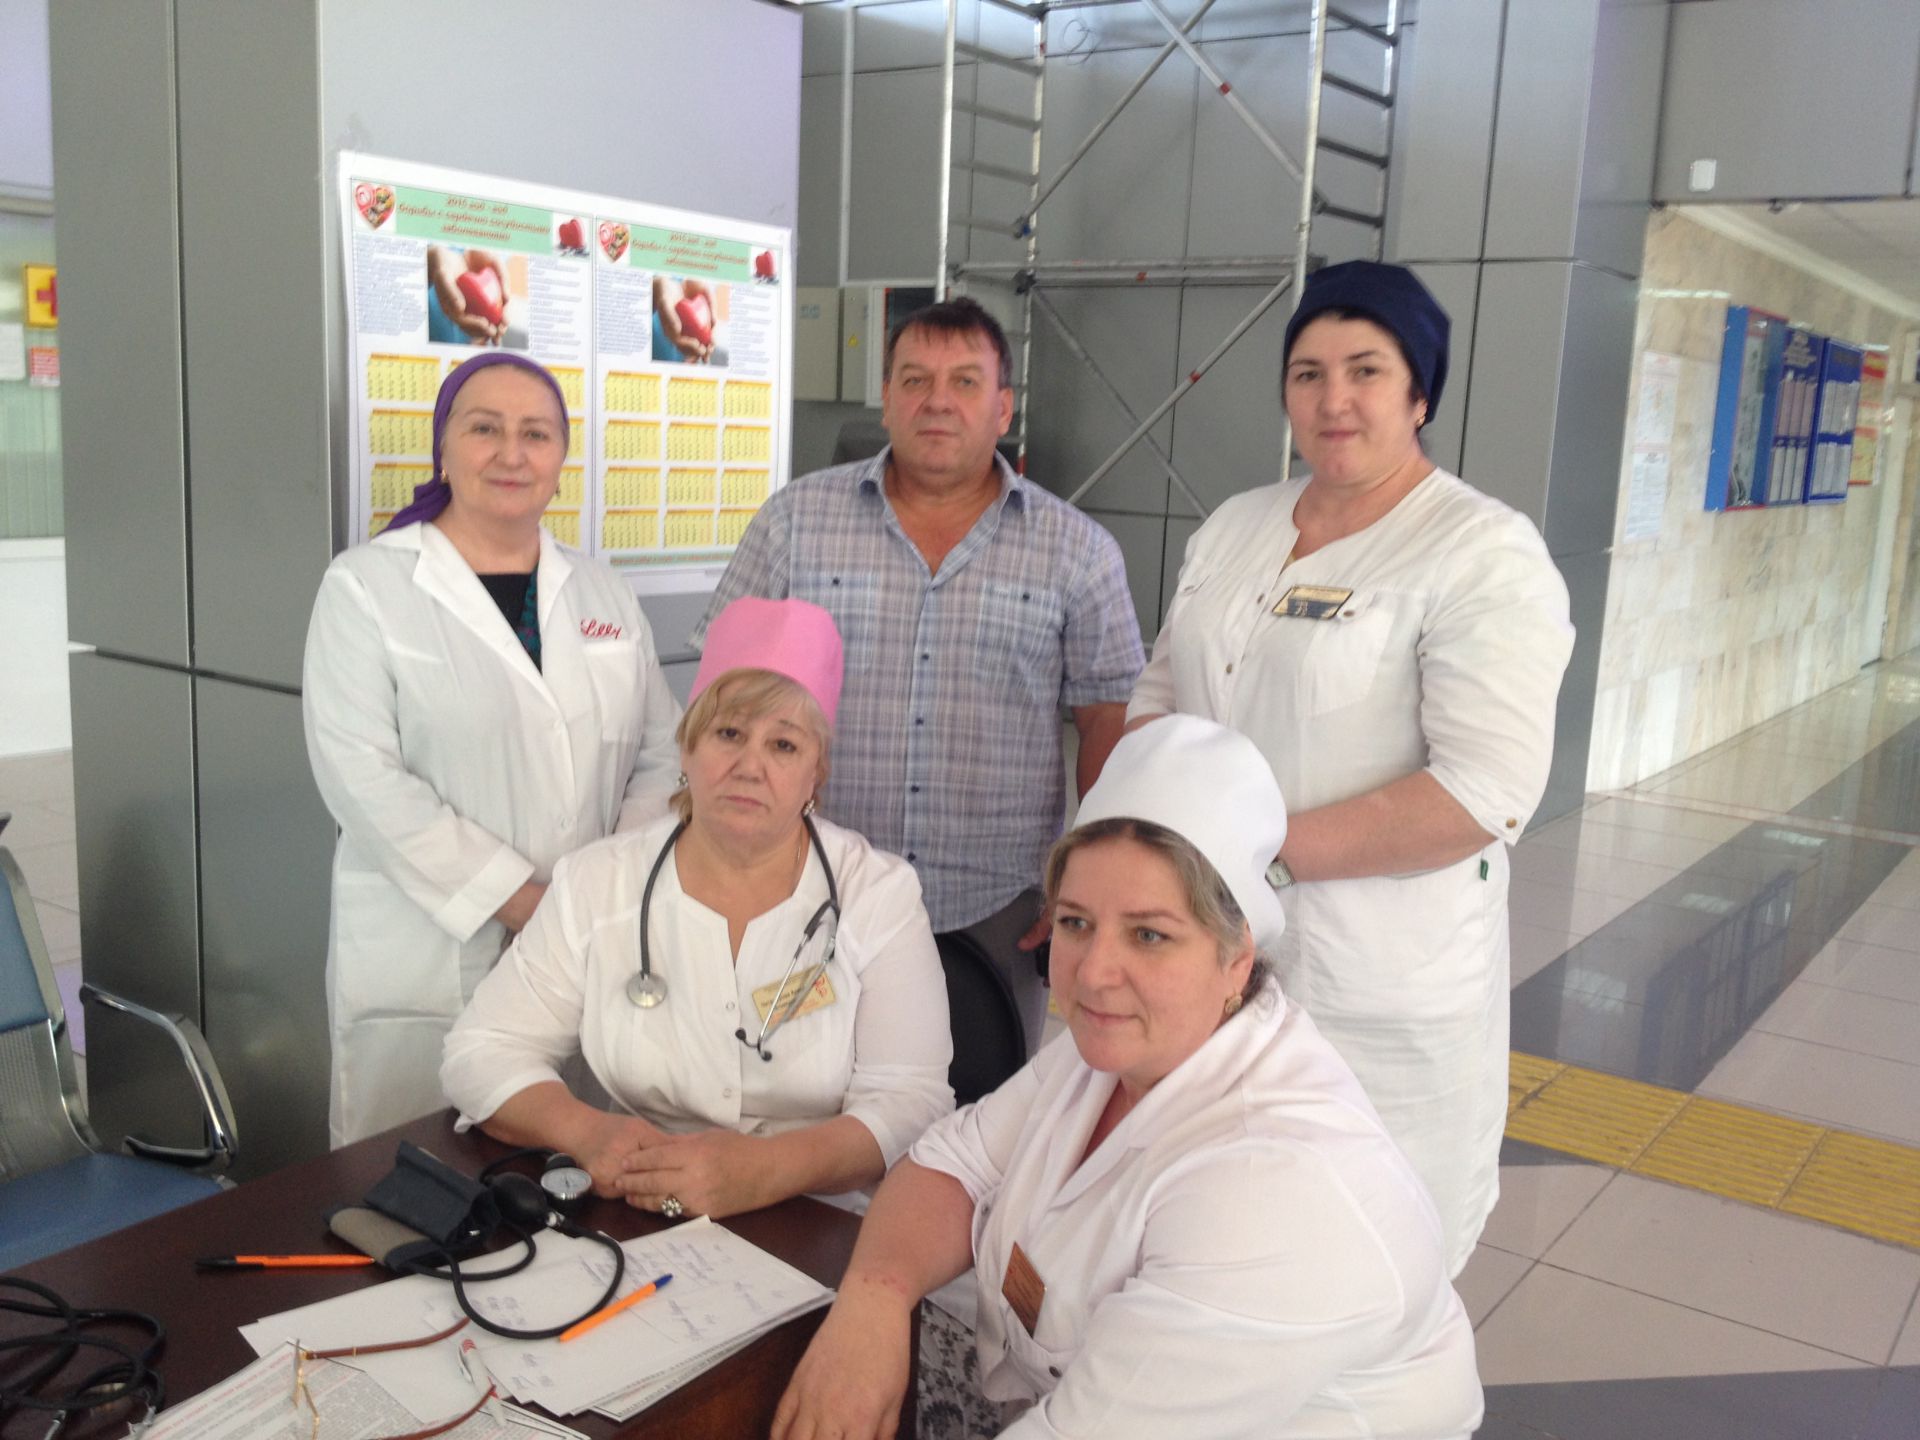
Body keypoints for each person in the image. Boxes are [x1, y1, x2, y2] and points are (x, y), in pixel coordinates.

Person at [772, 717, 1482, 1440]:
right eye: (1077, 923)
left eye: (1149, 934)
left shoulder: (1275, 1188)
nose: (1095, 974)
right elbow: (950, 1163)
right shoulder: (1118, 1053)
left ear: (1236, 957)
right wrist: (875, 1295)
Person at [1128, 260, 1575, 1273]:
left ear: (1420, 394)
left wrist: (1248, 859)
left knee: (1369, 1254)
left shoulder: (1481, 551)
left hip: (1373, 980)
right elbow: (1160, 696)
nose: (1334, 399)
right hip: (1212, 955)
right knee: (1214, 1231)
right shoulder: (1238, 524)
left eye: (1367, 370)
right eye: (1308, 373)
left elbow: (1482, 790)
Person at [695, 298, 1145, 1055]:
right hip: (806, 886)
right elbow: (721, 697)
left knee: (982, 1104)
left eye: (965, 381)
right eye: (915, 380)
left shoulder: (1077, 550)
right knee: (788, 1088)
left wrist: (1089, 879)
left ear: (1003, 408)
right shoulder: (796, 522)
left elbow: (1110, 722)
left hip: (994, 908)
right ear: (887, 398)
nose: (938, 401)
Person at [441, 598, 955, 1217]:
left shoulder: (877, 894)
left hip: (821, 1215)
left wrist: (765, 1171)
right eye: (728, 734)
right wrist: (588, 1132)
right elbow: (481, 1050)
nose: (749, 768)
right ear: (687, 748)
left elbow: (911, 1101)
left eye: (784, 745)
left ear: (816, 772)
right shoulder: (598, 882)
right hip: (640, 1200)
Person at [304, 352, 680, 1147]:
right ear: (444, 447)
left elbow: (660, 753)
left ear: (560, 458)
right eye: (485, 428)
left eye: (536, 434)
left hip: (584, 942)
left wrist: (604, 892)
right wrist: (522, 901)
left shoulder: (603, 591)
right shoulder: (368, 586)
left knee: (575, 1166)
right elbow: (361, 778)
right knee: (417, 1171)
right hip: (434, 947)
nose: (512, 453)